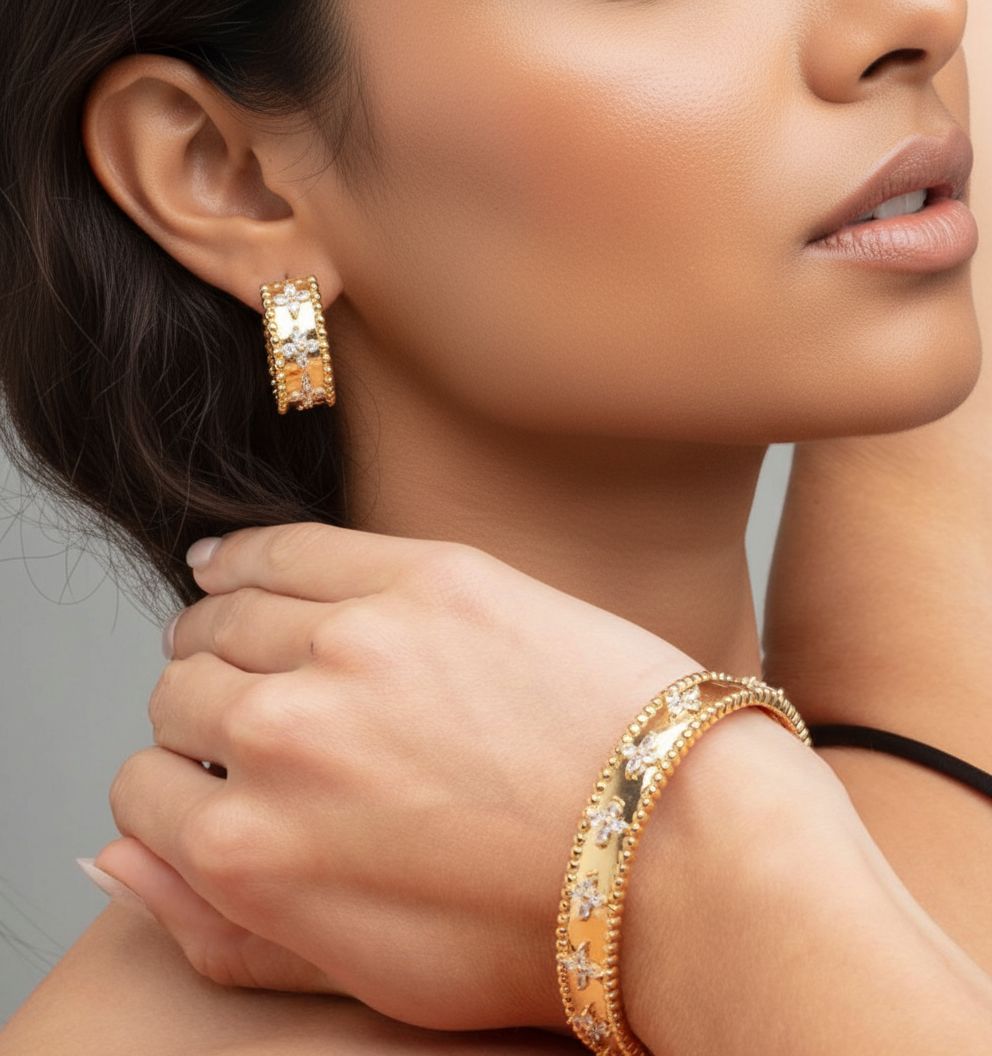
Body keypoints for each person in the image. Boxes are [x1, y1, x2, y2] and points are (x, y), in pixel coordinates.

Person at [1, 0, 991, 1052]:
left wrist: (693, 853)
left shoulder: (918, 762)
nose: (912, 22)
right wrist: (670, 856)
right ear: (225, 175)